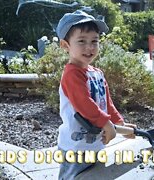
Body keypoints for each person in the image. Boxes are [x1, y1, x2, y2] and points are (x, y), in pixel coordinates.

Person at [56, 10, 136, 179]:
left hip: (96, 145)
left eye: (94, 41)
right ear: (65, 45)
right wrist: (106, 123)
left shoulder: (97, 73)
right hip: (75, 147)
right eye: (82, 41)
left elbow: (107, 103)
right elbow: (84, 104)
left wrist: (119, 123)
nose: (89, 47)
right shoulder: (72, 74)